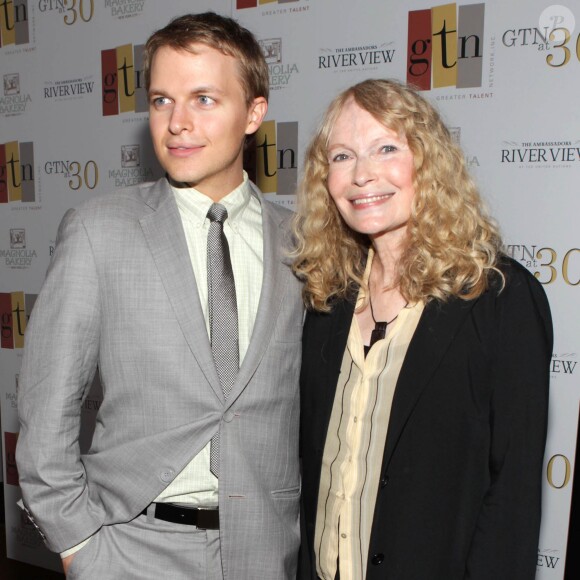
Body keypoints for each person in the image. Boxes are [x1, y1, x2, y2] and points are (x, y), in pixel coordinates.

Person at [16, 12, 303, 580]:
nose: (177, 123)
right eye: (162, 100)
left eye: (203, 99)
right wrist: (80, 547)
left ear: (254, 113)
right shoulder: (101, 231)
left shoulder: (304, 246)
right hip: (128, 551)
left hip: (268, 553)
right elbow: (46, 406)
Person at [294, 79, 552, 580]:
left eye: (386, 148)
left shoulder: (498, 298)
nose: (362, 175)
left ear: (428, 163)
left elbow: (513, 495)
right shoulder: (327, 299)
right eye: (342, 157)